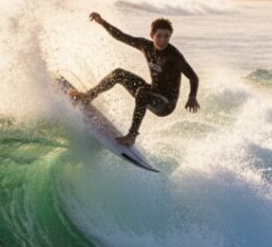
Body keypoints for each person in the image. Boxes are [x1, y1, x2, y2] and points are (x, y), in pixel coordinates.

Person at [70, 12, 200, 146]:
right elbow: (121, 36)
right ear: (152, 36)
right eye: (159, 36)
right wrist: (102, 22)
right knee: (118, 73)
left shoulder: (174, 56)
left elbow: (193, 77)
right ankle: (88, 96)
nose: (162, 40)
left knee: (142, 93)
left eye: (166, 36)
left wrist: (192, 96)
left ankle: (131, 136)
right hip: (152, 91)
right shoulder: (145, 46)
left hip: (166, 104)